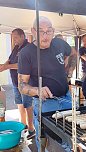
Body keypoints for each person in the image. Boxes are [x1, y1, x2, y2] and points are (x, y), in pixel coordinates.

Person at [17, 16, 72, 150]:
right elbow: (21, 85)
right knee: (48, 141)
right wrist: (37, 90)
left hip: (66, 98)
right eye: (41, 31)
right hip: (45, 104)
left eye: (49, 31)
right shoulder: (26, 53)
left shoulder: (59, 43)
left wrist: (70, 70)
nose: (45, 36)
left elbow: (72, 53)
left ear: (53, 31)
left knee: (69, 138)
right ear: (33, 31)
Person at [0, 28, 35, 138]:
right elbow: (10, 60)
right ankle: (23, 124)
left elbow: (22, 65)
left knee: (28, 105)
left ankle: (31, 128)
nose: (13, 39)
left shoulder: (28, 48)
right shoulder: (16, 47)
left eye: (15, 37)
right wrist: (3, 66)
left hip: (26, 83)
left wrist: (6, 67)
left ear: (22, 36)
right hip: (16, 83)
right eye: (12, 37)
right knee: (19, 104)